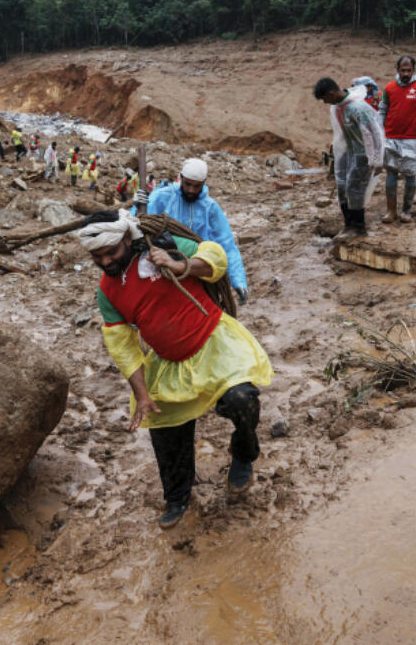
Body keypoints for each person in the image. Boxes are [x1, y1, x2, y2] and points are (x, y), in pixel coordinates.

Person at [78, 209, 273, 529]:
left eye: (110, 252)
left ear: (127, 239)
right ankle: (178, 496)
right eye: (96, 256)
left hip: (214, 344)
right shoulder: (107, 291)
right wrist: (141, 396)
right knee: (165, 429)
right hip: (169, 362)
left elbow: (215, 257)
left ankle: (244, 452)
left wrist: (180, 264)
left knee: (242, 400)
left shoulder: (164, 245)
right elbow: (123, 347)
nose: (105, 261)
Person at [136, 158, 249, 305]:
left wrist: (239, 282)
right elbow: (140, 226)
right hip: (163, 269)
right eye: (188, 184)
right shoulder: (161, 197)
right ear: (181, 178)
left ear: (204, 183)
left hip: (197, 271)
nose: (191, 190)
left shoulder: (210, 208)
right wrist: (137, 206)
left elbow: (226, 246)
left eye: (197, 186)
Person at [314, 77, 385, 240]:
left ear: (331, 93)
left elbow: (376, 133)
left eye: (325, 98)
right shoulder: (338, 107)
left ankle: (359, 227)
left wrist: (377, 159)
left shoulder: (357, 108)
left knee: (354, 189)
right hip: (348, 152)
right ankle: (348, 225)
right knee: (342, 187)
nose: (325, 103)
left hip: (362, 154)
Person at [378, 55, 416, 223]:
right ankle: (391, 211)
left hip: (411, 139)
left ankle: (406, 210)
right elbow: (382, 112)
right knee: (391, 173)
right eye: (403, 70)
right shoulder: (389, 88)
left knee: (411, 174)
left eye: (409, 70)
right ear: (397, 70)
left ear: (413, 70)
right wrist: (379, 134)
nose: (405, 73)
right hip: (390, 137)